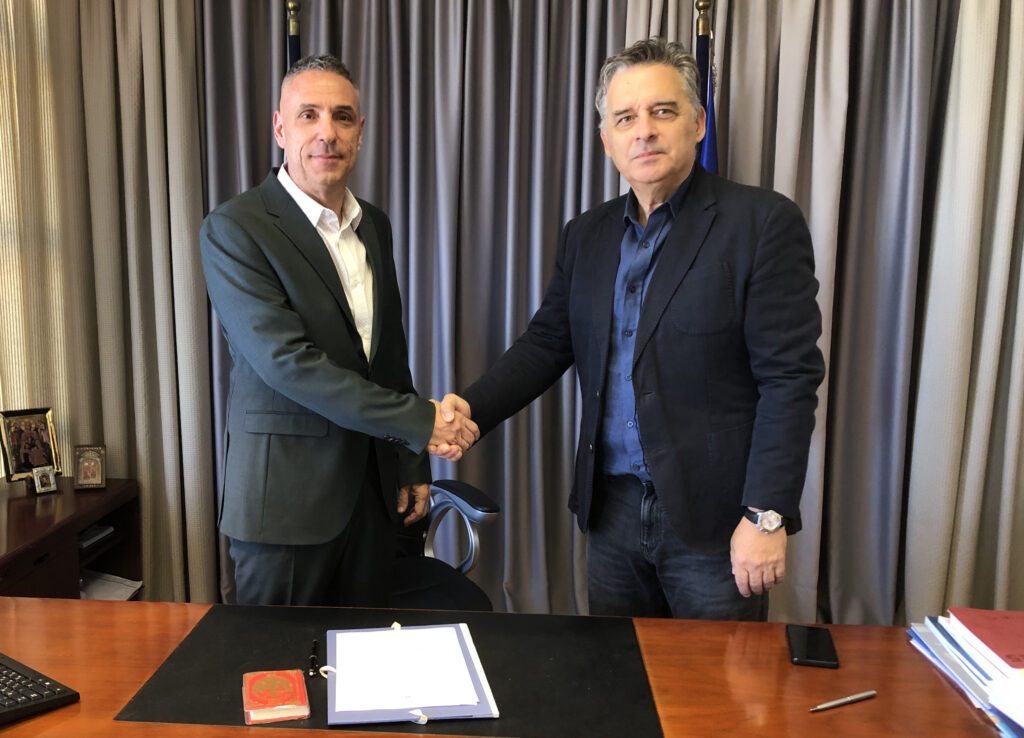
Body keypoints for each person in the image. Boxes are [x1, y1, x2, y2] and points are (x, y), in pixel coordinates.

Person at [437, 38, 825, 620]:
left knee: (715, 678)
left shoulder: (762, 223)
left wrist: (765, 515)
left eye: (662, 111)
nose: (643, 131)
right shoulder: (585, 235)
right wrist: (469, 411)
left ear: (698, 123)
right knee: (618, 669)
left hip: (716, 521)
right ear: (606, 140)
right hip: (611, 513)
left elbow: (790, 380)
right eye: (625, 118)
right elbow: (547, 344)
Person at [200, 54, 478, 607]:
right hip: (285, 508)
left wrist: (410, 458)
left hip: (373, 502)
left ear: (360, 131)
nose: (327, 132)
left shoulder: (375, 225)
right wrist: (422, 422)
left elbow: (389, 357)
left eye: (342, 117)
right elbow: (288, 363)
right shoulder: (234, 229)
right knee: (278, 659)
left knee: (367, 653)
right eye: (309, 115)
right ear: (280, 128)